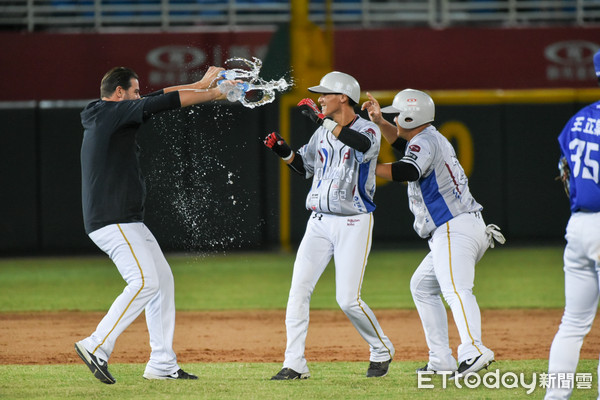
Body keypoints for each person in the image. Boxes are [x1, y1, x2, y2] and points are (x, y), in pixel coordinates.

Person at [75, 65, 228, 384]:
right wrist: (212, 94)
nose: (138, 95)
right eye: (133, 91)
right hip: (112, 219)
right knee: (145, 282)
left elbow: (158, 96)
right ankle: (96, 345)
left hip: (126, 221)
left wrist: (199, 84)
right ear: (119, 94)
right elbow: (162, 103)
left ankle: (162, 363)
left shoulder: (108, 113)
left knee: (162, 281)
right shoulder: (109, 113)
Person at [362, 88, 505, 378]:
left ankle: (474, 350)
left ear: (411, 116)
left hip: (454, 229)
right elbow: (405, 148)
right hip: (461, 227)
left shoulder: (424, 141)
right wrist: (379, 121)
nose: (395, 120)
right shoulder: (426, 139)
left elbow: (407, 170)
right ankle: (441, 359)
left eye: (397, 116)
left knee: (455, 290)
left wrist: (367, 167)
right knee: (422, 286)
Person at [263, 71, 395, 380]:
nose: (320, 98)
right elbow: (305, 168)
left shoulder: (368, 129)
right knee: (298, 292)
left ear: (343, 97)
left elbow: (359, 143)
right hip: (319, 222)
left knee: (348, 300)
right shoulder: (321, 132)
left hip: (353, 220)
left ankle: (381, 348)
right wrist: (284, 151)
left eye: (325, 93)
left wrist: (322, 120)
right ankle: (294, 363)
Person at [545, 50, 600, 400]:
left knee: (573, 323)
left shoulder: (578, 119)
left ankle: (555, 397)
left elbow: (564, 169)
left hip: (578, 226)